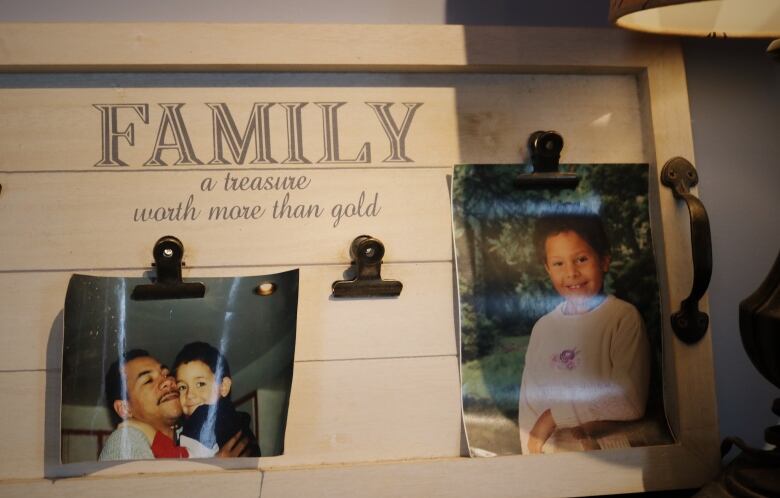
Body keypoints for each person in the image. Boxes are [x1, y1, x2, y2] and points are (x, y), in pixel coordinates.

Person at [518, 213, 650, 454]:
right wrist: (530, 458)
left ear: (604, 261)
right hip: (551, 461)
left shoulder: (622, 318)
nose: (571, 273)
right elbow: (529, 409)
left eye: (581, 259)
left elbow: (630, 400)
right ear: (548, 269)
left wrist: (554, 416)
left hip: (610, 458)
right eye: (558, 263)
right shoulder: (543, 328)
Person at [99, 349, 250, 461]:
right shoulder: (125, 440)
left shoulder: (199, 428)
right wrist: (215, 475)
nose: (167, 381)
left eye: (166, 374)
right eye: (148, 380)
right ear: (125, 408)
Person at [173, 342, 261, 457]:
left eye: (200, 384)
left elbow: (186, 468)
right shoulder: (237, 422)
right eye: (182, 387)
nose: (189, 394)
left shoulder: (202, 417)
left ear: (223, 386)